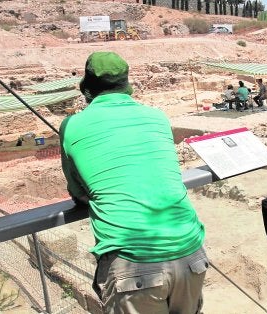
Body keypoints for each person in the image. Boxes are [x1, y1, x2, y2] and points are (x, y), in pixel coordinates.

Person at [59, 51, 208, 313]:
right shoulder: (157, 117)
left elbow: (78, 191)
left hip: (132, 262)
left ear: (88, 89)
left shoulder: (72, 126)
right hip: (190, 250)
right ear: (126, 85)